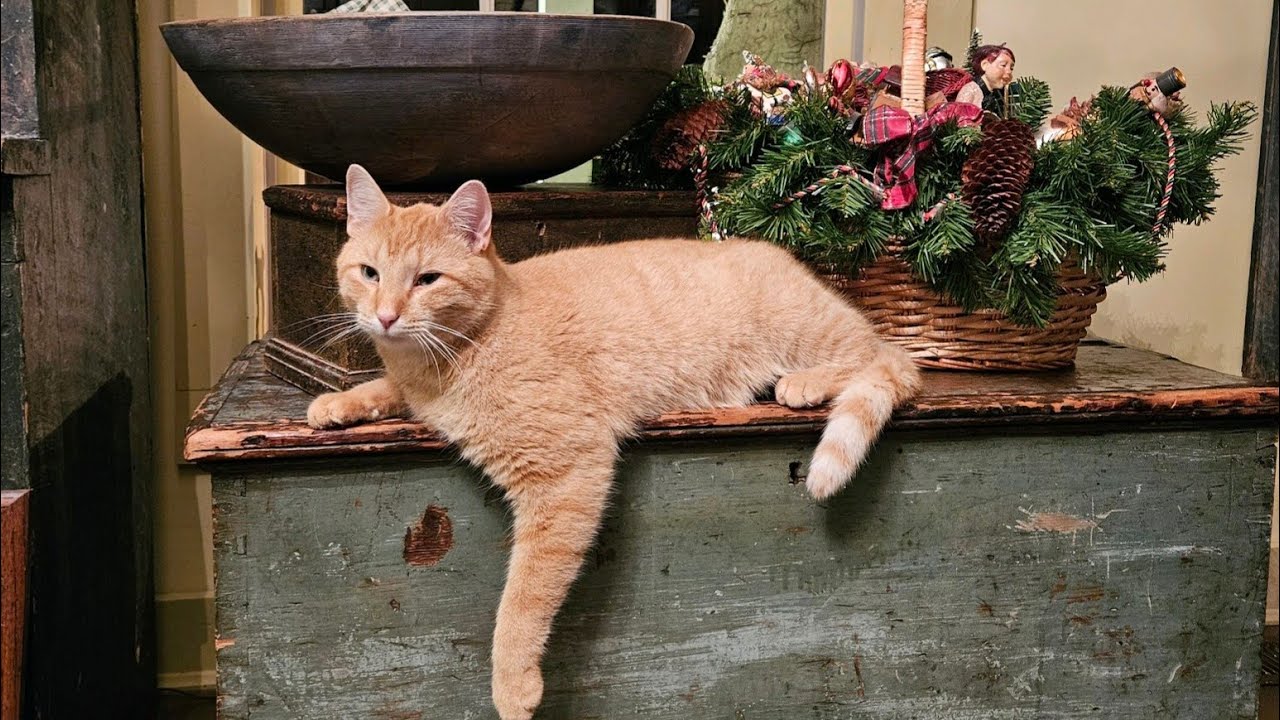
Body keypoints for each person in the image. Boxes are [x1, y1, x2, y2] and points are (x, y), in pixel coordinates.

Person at [956, 44, 1018, 114]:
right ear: (984, 65)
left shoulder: (998, 95)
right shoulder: (970, 90)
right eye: (1003, 65)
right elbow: (959, 118)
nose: (1009, 71)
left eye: (1011, 68)